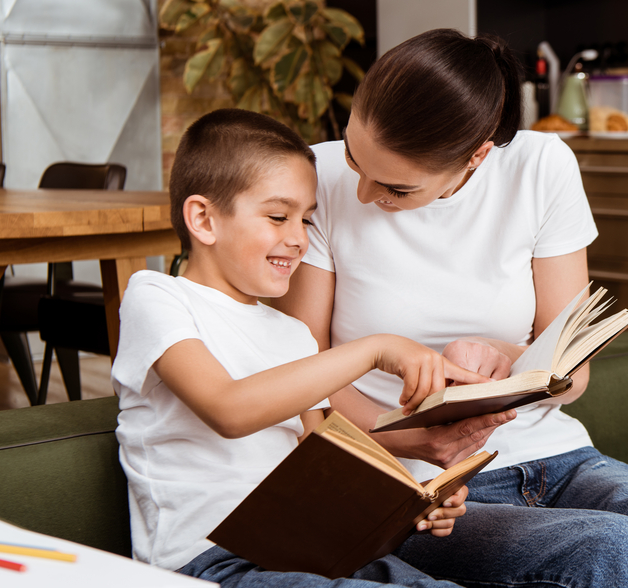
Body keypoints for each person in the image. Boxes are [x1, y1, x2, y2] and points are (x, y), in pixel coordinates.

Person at [273, 30, 628, 588]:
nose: (364, 192)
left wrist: (505, 357)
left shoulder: (541, 165)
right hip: (411, 482)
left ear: (477, 155)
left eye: (396, 188)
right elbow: (302, 373)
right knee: (609, 546)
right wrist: (411, 440)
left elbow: (572, 369)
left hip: (554, 454)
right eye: (353, 156)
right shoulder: (318, 177)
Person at [111, 108, 488, 588]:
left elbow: (323, 461)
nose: (296, 239)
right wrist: (375, 349)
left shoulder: (292, 335)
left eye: (306, 220)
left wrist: (413, 498)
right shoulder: (157, 296)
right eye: (277, 216)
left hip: (307, 551)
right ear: (203, 218)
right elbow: (229, 410)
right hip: (207, 563)